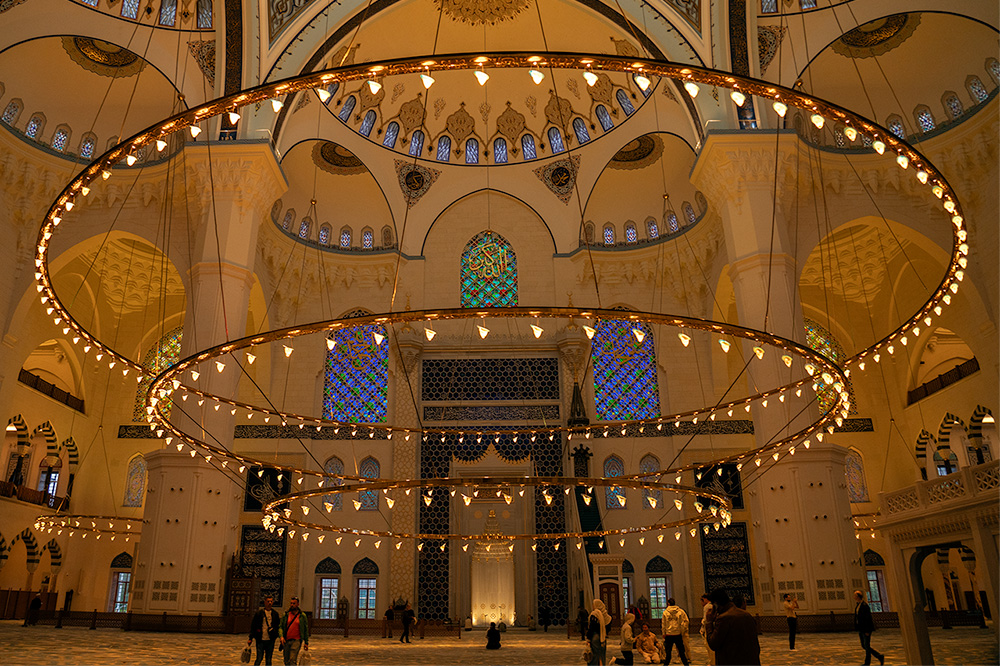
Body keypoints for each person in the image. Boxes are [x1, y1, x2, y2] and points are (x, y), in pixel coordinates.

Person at [703, 589, 760, 666]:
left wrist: (709, 622)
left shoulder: (723, 618)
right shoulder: (747, 615)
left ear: (716, 605)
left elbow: (713, 643)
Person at [854, 590, 885, 666]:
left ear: (858, 596)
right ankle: (879, 656)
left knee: (867, 645)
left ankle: (867, 663)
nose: (854, 597)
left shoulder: (864, 606)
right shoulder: (858, 605)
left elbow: (868, 618)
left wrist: (867, 630)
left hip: (866, 629)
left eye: (855, 595)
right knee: (864, 645)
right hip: (861, 628)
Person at [247, 595, 280, 665]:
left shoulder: (275, 614)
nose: (269, 603)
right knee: (259, 658)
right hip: (260, 639)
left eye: (271, 601)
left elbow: (277, 626)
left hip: (270, 640)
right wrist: (251, 638)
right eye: (268, 601)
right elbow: (254, 626)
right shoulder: (259, 614)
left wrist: (276, 635)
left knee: (268, 659)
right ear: (265, 602)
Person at [660, 598, 690, 665]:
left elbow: (663, 624)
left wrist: (663, 633)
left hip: (669, 634)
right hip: (678, 634)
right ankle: (686, 664)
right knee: (681, 652)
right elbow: (685, 622)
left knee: (668, 653)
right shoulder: (680, 611)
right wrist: (682, 631)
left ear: (668, 604)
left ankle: (666, 664)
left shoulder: (665, 612)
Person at [279, 597, 309, 665]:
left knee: (292, 660)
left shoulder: (302, 616)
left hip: (296, 640)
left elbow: (305, 629)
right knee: (286, 661)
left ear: (298, 604)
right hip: (286, 640)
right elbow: (280, 627)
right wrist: (281, 636)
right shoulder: (286, 615)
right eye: (291, 603)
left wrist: (306, 642)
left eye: (294, 603)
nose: (292, 605)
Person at [587, 598, 612, 665]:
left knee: (594, 656)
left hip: (595, 637)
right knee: (601, 655)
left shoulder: (595, 614)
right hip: (603, 638)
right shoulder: (606, 616)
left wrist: (588, 639)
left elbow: (592, 627)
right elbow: (608, 628)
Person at [699, 594, 715, 666]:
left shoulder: (707, 607)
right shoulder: (712, 605)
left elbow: (706, 620)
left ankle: (712, 662)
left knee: (709, 647)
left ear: (705, 599)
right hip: (712, 628)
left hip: (708, 629)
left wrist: (702, 627)